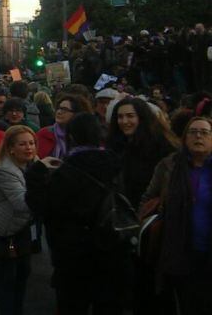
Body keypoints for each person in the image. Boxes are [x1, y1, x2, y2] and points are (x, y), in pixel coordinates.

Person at [26, 112, 130, 314]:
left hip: (72, 256)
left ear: (71, 137)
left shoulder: (65, 172)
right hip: (112, 248)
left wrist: (36, 173)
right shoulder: (116, 165)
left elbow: (41, 206)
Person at [140, 115, 212, 315]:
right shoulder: (169, 166)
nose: (198, 136)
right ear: (184, 137)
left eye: (205, 132)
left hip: (208, 253)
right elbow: (148, 198)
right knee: (189, 304)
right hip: (180, 252)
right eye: (193, 132)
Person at [0, 125, 38, 315]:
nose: (29, 148)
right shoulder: (5, 170)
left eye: (31, 143)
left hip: (21, 228)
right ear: (11, 148)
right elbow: (22, 203)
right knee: (9, 279)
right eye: (23, 144)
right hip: (5, 231)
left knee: (22, 275)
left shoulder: (33, 165)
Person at [107, 97, 178, 207]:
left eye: (130, 116)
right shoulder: (116, 146)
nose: (124, 121)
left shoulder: (161, 147)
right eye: (120, 117)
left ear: (142, 117)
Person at [35, 93, 90, 160]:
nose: (59, 112)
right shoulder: (44, 134)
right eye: (59, 108)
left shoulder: (85, 136)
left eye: (64, 109)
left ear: (77, 114)